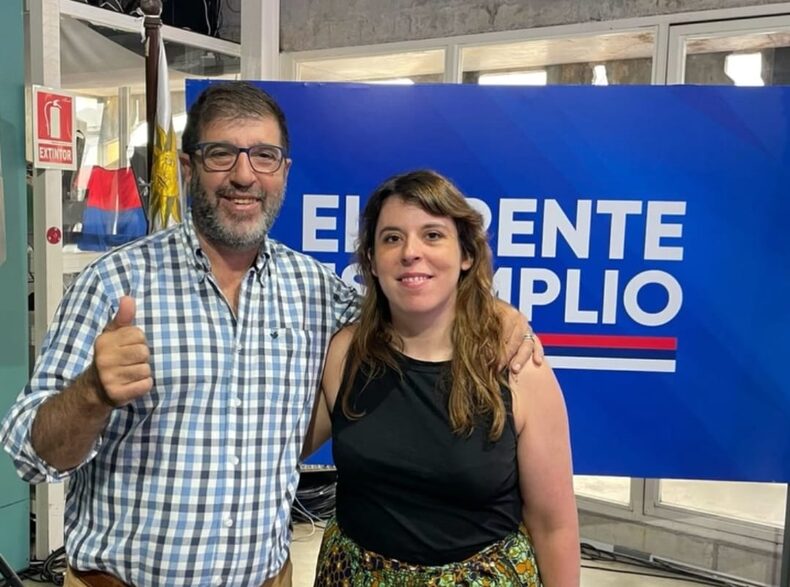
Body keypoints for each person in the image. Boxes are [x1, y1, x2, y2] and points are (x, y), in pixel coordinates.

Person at [0, 83, 542, 587]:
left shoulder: (313, 289)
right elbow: (30, 454)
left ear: (284, 171)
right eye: (221, 154)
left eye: (264, 156)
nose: (244, 175)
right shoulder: (112, 285)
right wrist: (92, 392)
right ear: (189, 169)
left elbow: (412, 304)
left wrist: (495, 313)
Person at [304, 170, 579, 586]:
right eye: (392, 238)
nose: (411, 252)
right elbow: (278, 449)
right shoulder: (346, 352)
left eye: (432, 235)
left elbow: (553, 525)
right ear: (373, 263)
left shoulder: (516, 365)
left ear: (466, 255)